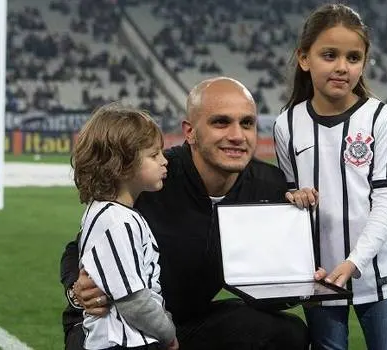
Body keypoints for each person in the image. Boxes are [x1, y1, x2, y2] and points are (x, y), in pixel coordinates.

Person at [61, 77, 310, 350]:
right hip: (114, 325)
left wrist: (300, 280)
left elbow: (268, 286)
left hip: (185, 322)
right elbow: (81, 245)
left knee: (287, 333)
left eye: (247, 123)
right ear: (190, 132)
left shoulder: (269, 185)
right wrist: (77, 289)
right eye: (221, 122)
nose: (238, 136)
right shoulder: (151, 177)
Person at [274, 4, 387, 350]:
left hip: (376, 272)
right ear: (304, 58)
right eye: (329, 55)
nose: (342, 67)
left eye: (353, 57)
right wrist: (294, 199)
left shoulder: (381, 117)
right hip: (319, 278)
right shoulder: (286, 124)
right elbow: (291, 198)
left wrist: (354, 262)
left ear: (364, 62)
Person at [70, 103, 176, 349]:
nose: (164, 161)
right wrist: (167, 331)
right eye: (154, 155)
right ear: (121, 164)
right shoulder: (116, 221)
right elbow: (134, 301)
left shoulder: (115, 214)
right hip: (126, 341)